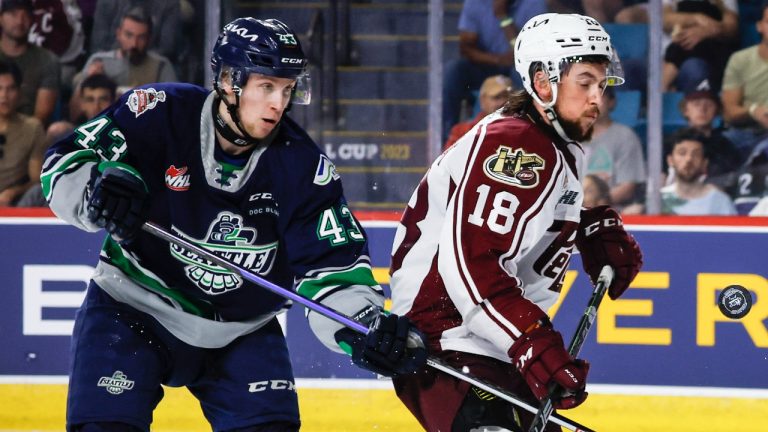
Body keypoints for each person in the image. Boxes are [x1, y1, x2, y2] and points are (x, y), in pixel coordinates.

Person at [41, 17, 426, 431]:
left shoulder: (302, 167)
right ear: (228, 80)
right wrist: (98, 191)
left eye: (287, 88)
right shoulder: (157, 112)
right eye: (266, 87)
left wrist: (364, 327)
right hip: (132, 305)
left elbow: (331, 271)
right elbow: (64, 163)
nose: (279, 103)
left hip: (241, 331)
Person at [389, 13, 642, 432]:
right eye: (585, 83)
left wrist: (581, 226)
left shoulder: (550, 140)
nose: (598, 97)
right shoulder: (517, 144)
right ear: (543, 83)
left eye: (601, 83)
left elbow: (520, 223)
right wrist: (530, 341)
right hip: (448, 342)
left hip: (484, 344)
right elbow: (471, 264)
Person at [442, 0, 546, 141]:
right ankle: (448, 140)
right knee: (453, 71)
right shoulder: (475, 3)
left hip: (517, 66)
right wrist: (498, 60)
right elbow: (466, 48)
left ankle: (528, 135)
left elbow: (526, 52)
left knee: (529, 75)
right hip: (486, 63)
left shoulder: (534, 3)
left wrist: (503, 17)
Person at [72, 6, 177, 97]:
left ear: (149, 39)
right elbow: (76, 111)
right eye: (129, 35)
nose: (134, 44)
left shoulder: (161, 66)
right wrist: (91, 80)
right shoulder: (99, 61)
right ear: (119, 34)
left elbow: (177, 106)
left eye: (141, 37)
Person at [664, 83, 741, 188]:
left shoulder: (725, 146)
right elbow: (659, 176)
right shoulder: (671, 142)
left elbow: (731, 179)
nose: (702, 109)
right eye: (696, 104)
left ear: (716, 111)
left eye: (708, 105)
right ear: (686, 110)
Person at [583, 86, 646, 210]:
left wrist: (594, 203)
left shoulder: (625, 136)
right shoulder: (568, 136)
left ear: (611, 102)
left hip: (610, 211)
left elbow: (627, 187)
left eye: (597, 97)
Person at [720, 1, 768, 161]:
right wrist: (754, 111)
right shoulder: (740, 60)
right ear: (759, 26)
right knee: (719, 144)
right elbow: (729, 112)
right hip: (746, 131)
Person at [0, 0, 60, 125]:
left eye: (26, 15)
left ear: (33, 20)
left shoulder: (47, 60)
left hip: (27, 133)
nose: (20, 21)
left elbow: (40, 117)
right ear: (1, 18)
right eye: (13, 14)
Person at [661, 0, 739, 93]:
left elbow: (731, 28)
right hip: (681, 45)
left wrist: (706, 32)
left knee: (694, 60)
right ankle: (662, 89)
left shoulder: (720, 3)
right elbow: (664, 20)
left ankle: (662, 87)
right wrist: (697, 19)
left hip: (714, 48)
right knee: (681, 45)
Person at [0, 60, 46, 207]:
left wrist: (12, 192)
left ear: (19, 92)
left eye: (11, 89)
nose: (4, 96)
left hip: (15, 203)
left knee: (39, 192)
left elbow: (36, 180)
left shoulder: (32, 127)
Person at [661, 128, 737, 215]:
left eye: (695, 154)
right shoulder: (660, 199)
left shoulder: (720, 201)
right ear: (670, 160)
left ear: (704, 163)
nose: (688, 159)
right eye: (682, 153)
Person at [444, 74, 512, 149]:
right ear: (483, 100)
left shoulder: (522, 130)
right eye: (497, 97)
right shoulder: (461, 132)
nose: (504, 102)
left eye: (508, 97)